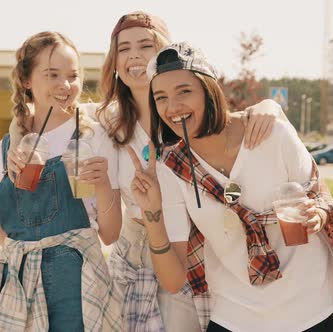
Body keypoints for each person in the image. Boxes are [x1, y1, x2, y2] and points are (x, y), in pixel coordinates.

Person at [127, 41, 333, 332]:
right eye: (161, 97)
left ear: (209, 92)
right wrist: (152, 213)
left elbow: (321, 201)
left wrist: (315, 216)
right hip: (236, 315)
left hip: (309, 305)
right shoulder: (173, 168)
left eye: (184, 91)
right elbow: (173, 281)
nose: (172, 107)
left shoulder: (273, 133)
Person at [96, 12, 285, 332]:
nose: (135, 56)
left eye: (146, 45)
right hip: (136, 252)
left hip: (196, 244)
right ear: (114, 62)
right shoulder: (108, 126)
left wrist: (271, 106)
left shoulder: (185, 113)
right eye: (124, 48)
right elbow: (109, 233)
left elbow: (228, 127)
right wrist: (101, 183)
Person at [0, 31, 122, 331]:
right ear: (26, 80)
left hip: (78, 291)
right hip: (17, 288)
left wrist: (104, 184)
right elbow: (9, 237)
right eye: (52, 74)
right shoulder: (6, 149)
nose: (65, 85)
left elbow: (109, 235)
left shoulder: (90, 139)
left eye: (73, 75)